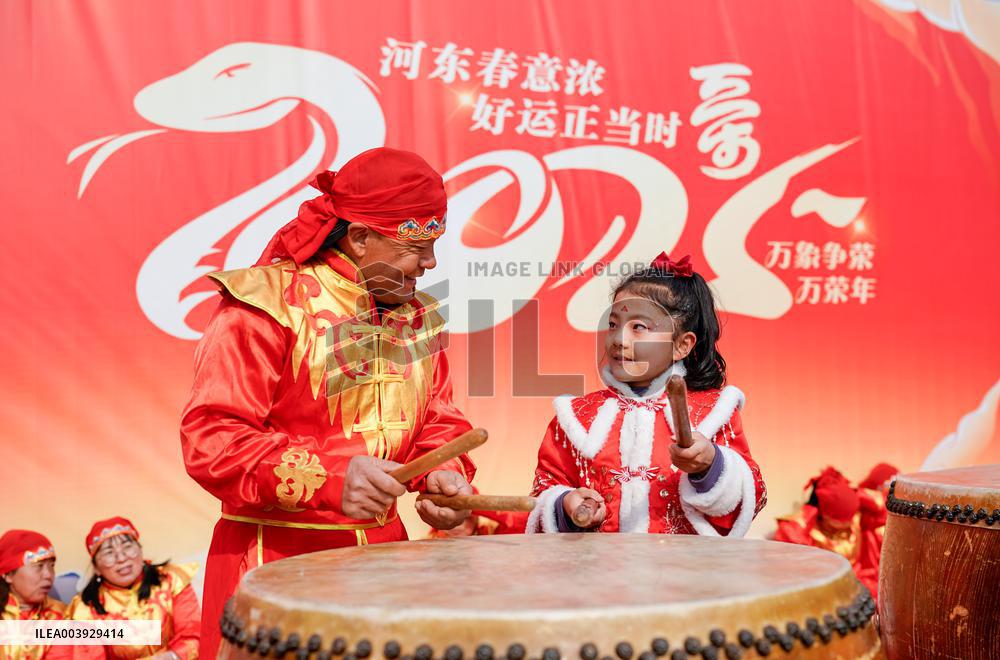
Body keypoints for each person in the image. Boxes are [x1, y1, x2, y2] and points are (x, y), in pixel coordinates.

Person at [180, 148, 477, 656]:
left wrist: (444, 476)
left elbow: (438, 420)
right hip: (275, 562)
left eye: (434, 247)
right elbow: (213, 440)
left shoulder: (417, 317)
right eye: (417, 247)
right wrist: (332, 479)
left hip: (385, 563)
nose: (430, 264)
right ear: (359, 238)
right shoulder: (263, 307)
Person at [528, 253, 766, 535]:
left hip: (686, 563)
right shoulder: (577, 417)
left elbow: (754, 495)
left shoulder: (714, 412)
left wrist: (710, 466)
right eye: (613, 324)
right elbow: (544, 488)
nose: (619, 340)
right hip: (599, 563)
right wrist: (566, 505)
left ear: (681, 345)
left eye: (638, 327)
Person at [66, 517, 199, 660]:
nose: (121, 558)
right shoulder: (86, 609)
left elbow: (193, 636)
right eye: (109, 552)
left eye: (127, 547)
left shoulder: (170, 580)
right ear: (96, 568)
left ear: (140, 550)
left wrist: (171, 657)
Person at [774, 465, 893, 599]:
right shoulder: (806, 529)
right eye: (841, 520)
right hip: (827, 587)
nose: (848, 523)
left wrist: (853, 492)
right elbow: (792, 549)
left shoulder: (858, 518)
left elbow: (885, 511)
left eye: (851, 517)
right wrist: (810, 510)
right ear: (824, 515)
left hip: (861, 581)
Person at [0, 530, 70, 660]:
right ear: (8, 575)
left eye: (51, 566)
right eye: (39, 566)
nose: (48, 575)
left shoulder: (61, 616)